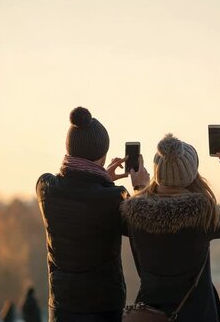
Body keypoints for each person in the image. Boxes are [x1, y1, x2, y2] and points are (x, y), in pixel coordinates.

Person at [121, 134, 220, 321]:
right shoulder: (203, 219)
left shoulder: (135, 216)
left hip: (150, 316)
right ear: (192, 174)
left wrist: (137, 188)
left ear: (157, 173)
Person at [36, 107, 149, 322]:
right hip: (103, 307)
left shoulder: (45, 187)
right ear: (103, 155)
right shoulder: (114, 197)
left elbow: (77, 190)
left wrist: (101, 179)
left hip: (62, 306)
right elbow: (141, 229)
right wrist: (140, 189)